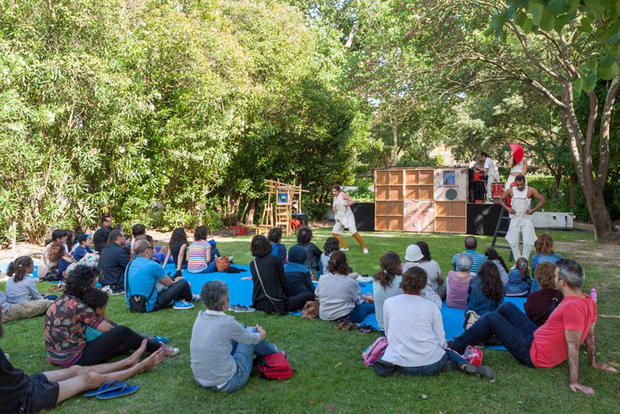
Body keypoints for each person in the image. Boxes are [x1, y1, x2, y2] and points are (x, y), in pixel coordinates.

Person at [449, 259, 618, 394]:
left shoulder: (571, 307)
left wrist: (575, 381)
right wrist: (593, 362)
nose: (553, 278)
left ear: (563, 283)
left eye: (556, 276)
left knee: (490, 318)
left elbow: (573, 346)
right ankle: (482, 335)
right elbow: (590, 335)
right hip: (538, 337)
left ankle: (455, 347)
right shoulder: (588, 300)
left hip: (535, 354)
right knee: (506, 308)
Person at [0, 309, 164, 414]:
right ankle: (140, 367)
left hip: (25, 383)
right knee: (90, 379)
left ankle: (128, 362)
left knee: (75, 370)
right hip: (24, 401)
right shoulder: (76, 304)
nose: (2, 308)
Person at [373, 267, 495, 378]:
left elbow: (389, 334)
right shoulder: (431, 306)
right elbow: (441, 341)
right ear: (423, 285)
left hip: (401, 363)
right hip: (431, 362)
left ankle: (452, 364)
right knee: (448, 351)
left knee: (388, 349)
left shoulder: (389, 303)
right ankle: (463, 364)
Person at [45, 265, 176, 368]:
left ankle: (145, 340)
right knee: (122, 332)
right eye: (94, 285)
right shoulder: (78, 306)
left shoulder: (62, 300)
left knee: (121, 338)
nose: (96, 288)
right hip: (74, 359)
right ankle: (158, 348)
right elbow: (109, 329)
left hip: (54, 356)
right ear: (85, 288)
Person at [190, 281, 281, 392]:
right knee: (251, 331)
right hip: (228, 382)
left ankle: (270, 352)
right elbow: (252, 339)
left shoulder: (200, 317)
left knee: (242, 328)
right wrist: (262, 334)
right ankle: (276, 354)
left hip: (200, 378)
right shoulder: (227, 322)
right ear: (225, 302)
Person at [250, 235, 314, 313]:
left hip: (258, 303)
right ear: (268, 246)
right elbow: (283, 282)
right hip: (276, 303)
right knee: (309, 295)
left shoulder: (253, 264)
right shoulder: (276, 260)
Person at [125, 239, 194, 311]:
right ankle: (186, 299)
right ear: (146, 251)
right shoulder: (152, 265)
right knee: (183, 283)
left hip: (132, 304)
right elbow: (170, 284)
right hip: (149, 304)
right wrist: (177, 281)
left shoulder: (129, 265)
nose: (153, 250)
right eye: (151, 247)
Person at [315, 251, 374, 322]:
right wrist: (367, 299)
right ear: (345, 264)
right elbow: (357, 300)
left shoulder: (322, 278)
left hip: (324, 315)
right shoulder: (350, 282)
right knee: (369, 307)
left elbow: (317, 294)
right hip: (344, 316)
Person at [499, 175, 545, 260]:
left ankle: (525, 261)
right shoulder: (511, 190)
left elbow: (542, 200)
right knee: (513, 242)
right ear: (515, 184)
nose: (520, 187)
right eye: (518, 185)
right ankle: (518, 262)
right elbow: (500, 199)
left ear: (525, 183)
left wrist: (533, 210)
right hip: (515, 218)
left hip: (526, 219)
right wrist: (508, 208)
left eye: (522, 185)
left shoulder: (530, 190)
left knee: (528, 242)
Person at [331, 185, 368, 253]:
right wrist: (334, 209)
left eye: (335, 191)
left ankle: (364, 248)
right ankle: (345, 247)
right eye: (333, 191)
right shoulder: (334, 197)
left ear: (339, 191)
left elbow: (352, 201)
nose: (333, 193)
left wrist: (347, 205)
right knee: (334, 233)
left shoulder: (343, 195)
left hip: (348, 217)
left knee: (354, 233)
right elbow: (334, 207)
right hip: (340, 217)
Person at [372, 252, 404, 332]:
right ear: (399, 265)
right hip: (399, 328)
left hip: (382, 327)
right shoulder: (402, 281)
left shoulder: (375, 280)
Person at [525, 262, 563, 326]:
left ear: (538, 278)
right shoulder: (562, 296)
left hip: (537, 331)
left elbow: (528, 318)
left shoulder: (533, 297)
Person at [98, 229, 130, 294]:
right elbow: (129, 267)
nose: (125, 239)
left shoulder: (105, 249)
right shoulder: (119, 251)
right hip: (116, 282)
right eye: (123, 236)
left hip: (105, 280)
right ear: (118, 237)